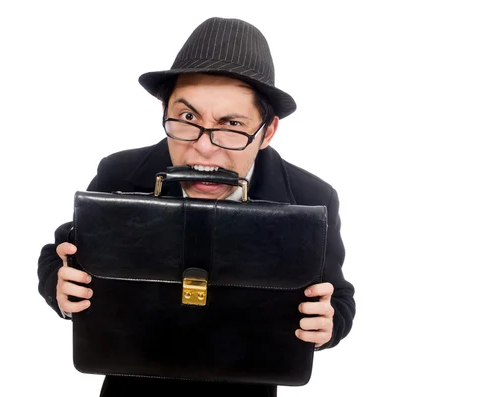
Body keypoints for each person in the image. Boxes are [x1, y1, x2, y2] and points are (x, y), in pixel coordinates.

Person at [37, 16, 355, 397]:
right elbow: (58, 255)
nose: (204, 147)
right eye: (188, 118)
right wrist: (59, 284)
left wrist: (329, 325)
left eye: (232, 124)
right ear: (165, 112)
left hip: (247, 388)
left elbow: (339, 298)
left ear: (266, 132)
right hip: (133, 382)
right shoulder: (119, 173)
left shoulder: (311, 196)